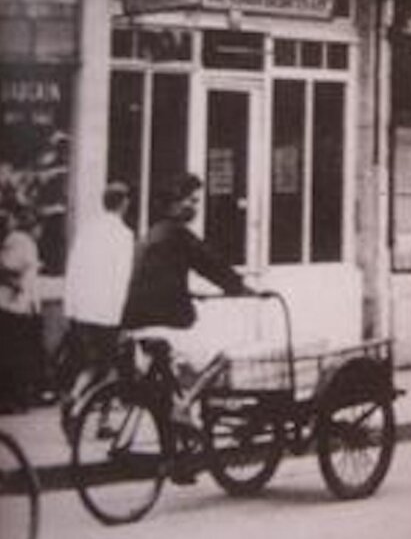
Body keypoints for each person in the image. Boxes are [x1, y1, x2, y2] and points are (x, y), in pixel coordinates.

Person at [121, 173, 249, 434]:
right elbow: (210, 264)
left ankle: (175, 453)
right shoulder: (178, 234)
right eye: (190, 201)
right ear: (174, 203)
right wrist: (239, 287)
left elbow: (158, 278)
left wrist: (186, 293)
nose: (194, 207)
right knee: (220, 357)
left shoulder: (153, 233)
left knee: (174, 377)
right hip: (164, 323)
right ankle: (185, 406)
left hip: (137, 321)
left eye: (197, 201)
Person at [62, 182, 135, 396]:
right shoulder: (123, 234)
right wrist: (123, 314)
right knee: (105, 366)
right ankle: (82, 401)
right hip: (108, 312)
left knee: (89, 362)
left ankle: (78, 397)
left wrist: (70, 306)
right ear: (124, 203)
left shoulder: (87, 231)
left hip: (83, 309)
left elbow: (73, 267)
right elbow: (123, 276)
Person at [0, 208, 44, 413]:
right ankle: (12, 400)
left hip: (19, 307)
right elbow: (7, 266)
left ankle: (16, 399)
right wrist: (14, 282)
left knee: (16, 357)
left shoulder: (17, 241)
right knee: (13, 357)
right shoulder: (22, 241)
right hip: (12, 307)